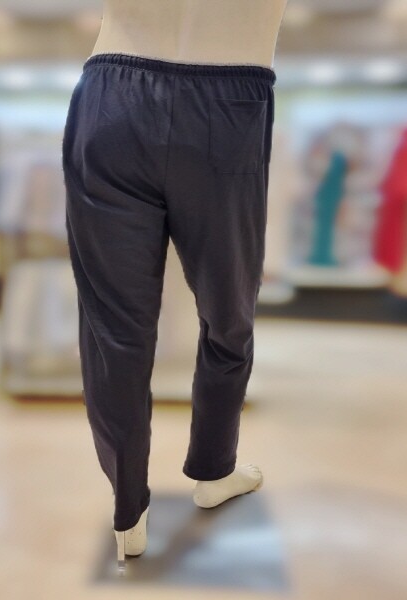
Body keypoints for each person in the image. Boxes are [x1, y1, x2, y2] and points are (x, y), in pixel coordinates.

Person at [61, 0, 288, 574]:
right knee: (229, 315)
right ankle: (214, 470)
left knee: (116, 330)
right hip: (227, 104)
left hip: (111, 97)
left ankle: (128, 515)